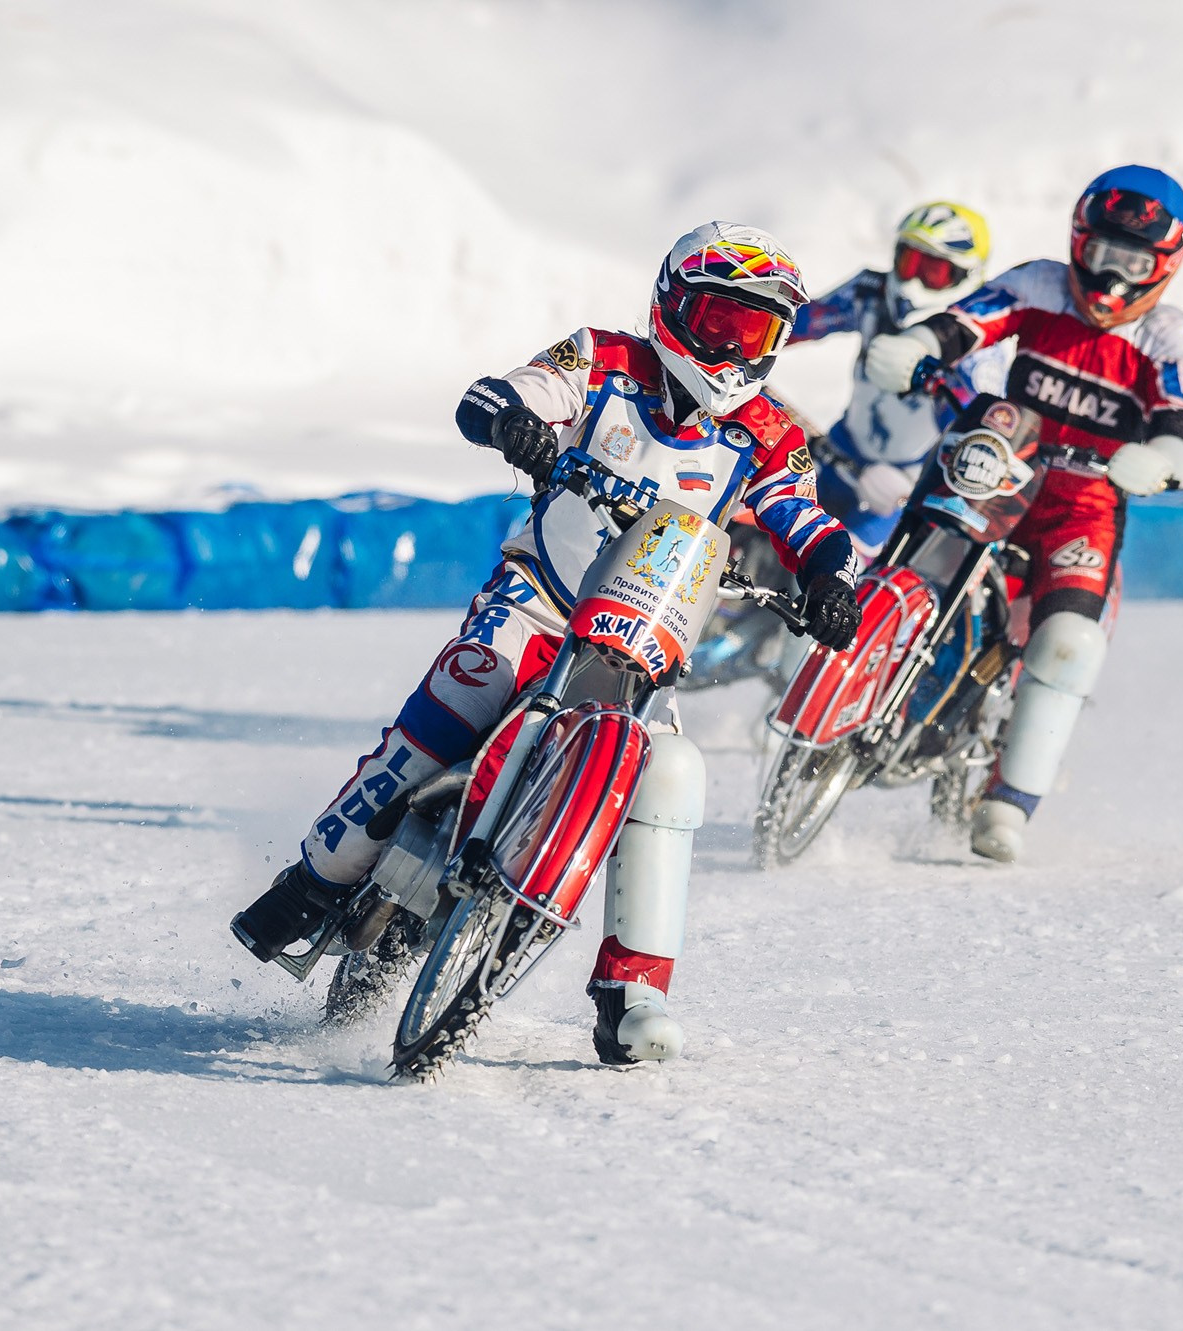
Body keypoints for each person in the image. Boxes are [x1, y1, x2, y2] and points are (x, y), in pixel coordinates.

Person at [231, 222, 862, 1063]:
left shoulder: (767, 430)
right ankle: (317, 877)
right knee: (462, 693)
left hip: (649, 641)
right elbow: (505, 393)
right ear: (673, 305)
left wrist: (829, 579)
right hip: (539, 604)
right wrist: (513, 422)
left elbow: (806, 519)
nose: (733, 350)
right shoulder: (604, 360)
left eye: (756, 332)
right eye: (721, 321)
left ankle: (634, 992)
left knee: (672, 771)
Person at [861, 166, 1183, 864]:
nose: (1110, 278)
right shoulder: (1040, 284)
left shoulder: (1174, 337)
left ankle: (1009, 803)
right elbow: (970, 320)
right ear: (1078, 242)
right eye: (1102, 254)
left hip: (1085, 506)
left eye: (1132, 263)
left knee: (1070, 643)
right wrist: (921, 346)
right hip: (1003, 464)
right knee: (910, 551)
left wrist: (1166, 455)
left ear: (1164, 266)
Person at [785, 201, 999, 558]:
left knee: (836, 570)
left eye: (932, 271)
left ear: (966, 276)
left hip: (896, 494)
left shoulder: (977, 350)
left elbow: (982, 446)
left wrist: (912, 488)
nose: (911, 283)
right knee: (754, 526)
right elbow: (794, 323)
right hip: (835, 451)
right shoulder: (871, 292)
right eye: (909, 262)